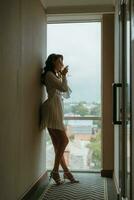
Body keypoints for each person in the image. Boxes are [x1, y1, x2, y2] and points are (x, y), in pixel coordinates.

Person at [40, 53, 79, 185]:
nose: (62, 64)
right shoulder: (49, 75)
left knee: (58, 145)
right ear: (53, 63)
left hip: (55, 109)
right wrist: (63, 75)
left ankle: (66, 173)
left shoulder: (55, 76)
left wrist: (63, 76)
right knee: (64, 140)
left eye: (62, 62)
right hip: (52, 110)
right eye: (59, 62)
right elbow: (63, 88)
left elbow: (66, 92)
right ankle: (56, 171)